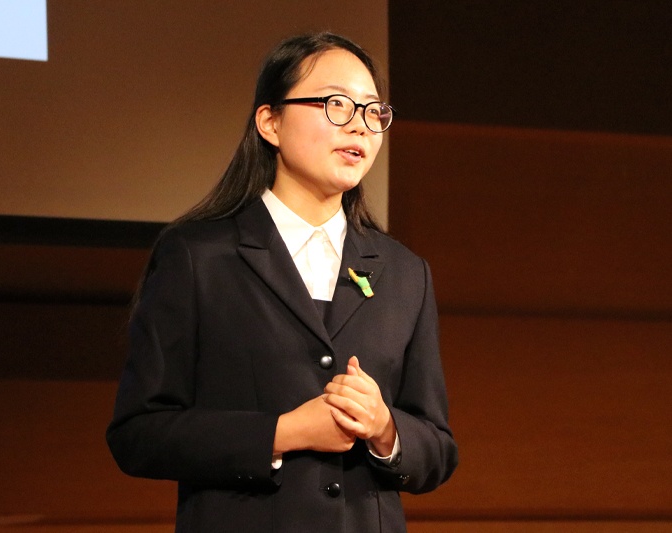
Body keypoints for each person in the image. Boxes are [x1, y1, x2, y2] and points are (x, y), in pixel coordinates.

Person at [106, 32, 457, 533]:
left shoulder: (405, 272)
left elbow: (438, 449)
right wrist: (283, 432)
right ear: (270, 122)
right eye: (337, 104)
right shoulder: (199, 257)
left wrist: (385, 428)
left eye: (372, 111)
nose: (359, 125)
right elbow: (138, 435)